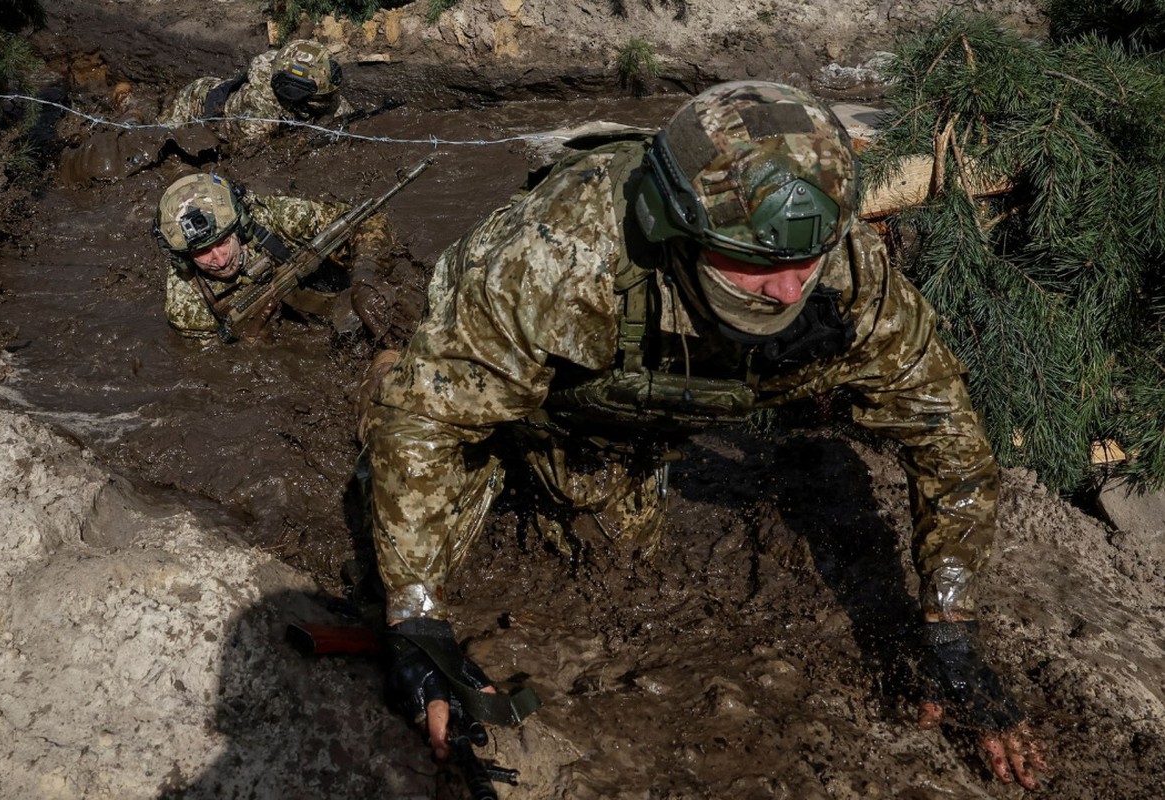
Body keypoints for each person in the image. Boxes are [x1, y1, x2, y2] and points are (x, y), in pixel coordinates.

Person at [359, 81, 1050, 789]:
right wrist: (415, 617)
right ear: (674, 227)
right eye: (754, 261)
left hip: (631, 429)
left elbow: (947, 438)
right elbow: (431, 424)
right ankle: (390, 370)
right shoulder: (555, 257)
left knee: (614, 556)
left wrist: (950, 625)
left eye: (802, 262)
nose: (786, 291)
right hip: (526, 400)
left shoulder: (846, 278)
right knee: (415, 447)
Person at [153, 171, 393, 341]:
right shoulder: (186, 304)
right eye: (202, 252)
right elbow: (210, 372)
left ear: (241, 226)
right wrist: (252, 346)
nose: (220, 258)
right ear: (183, 258)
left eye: (224, 241)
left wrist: (365, 274)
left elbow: (370, 218)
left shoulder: (276, 217)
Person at [159, 39, 353, 143]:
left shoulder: (323, 96)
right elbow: (245, 156)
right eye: (322, 94)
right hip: (195, 102)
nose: (331, 97)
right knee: (161, 137)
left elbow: (342, 113)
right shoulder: (259, 116)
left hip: (231, 94)